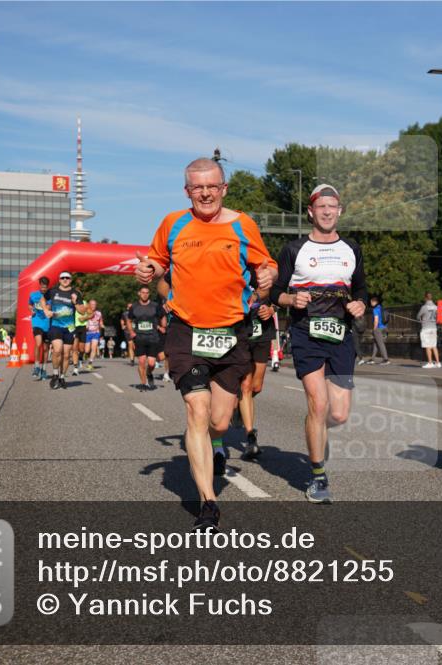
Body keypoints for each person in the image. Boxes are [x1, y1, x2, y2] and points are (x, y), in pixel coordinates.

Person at [136, 157, 276, 530]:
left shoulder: (243, 224)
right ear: (187, 191)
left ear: (223, 188)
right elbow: (157, 262)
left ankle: (217, 443)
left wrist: (267, 276)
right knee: (197, 410)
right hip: (186, 330)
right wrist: (148, 270)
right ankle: (208, 504)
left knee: (219, 420)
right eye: (198, 187)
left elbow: (267, 266)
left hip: (231, 333)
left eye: (212, 186)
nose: (206, 193)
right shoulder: (173, 223)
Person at [272, 184, 367, 504]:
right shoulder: (294, 249)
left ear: (340, 211)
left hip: (341, 335)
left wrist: (360, 303)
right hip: (306, 333)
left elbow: (361, 288)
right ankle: (317, 477)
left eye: (332, 206)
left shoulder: (352, 248)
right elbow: (275, 292)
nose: (327, 211)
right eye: (321, 206)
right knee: (318, 403)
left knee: (338, 414)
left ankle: (317, 430)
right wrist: (290, 299)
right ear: (311, 212)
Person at [238, 293, 277, 459]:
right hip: (241, 330)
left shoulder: (270, 277)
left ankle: (238, 407)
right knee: (245, 386)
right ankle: (250, 437)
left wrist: (272, 309)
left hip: (263, 332)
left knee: (256, 387)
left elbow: (280, 295)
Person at [40, 271, 87, 389]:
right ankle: (55, 374)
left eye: (67, 278)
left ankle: (62, 377)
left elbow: (82, 311)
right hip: (56, 325)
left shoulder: (75, 293)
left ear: (70, 280)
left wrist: (75, 302)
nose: (65, 280)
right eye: (62, 278)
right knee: (57, 350)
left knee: (66, 355)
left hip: (69, 328)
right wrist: (46, 310)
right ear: (59, 280)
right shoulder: (53, 291)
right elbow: (42, 299)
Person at [127, 285, 167, 391]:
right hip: (139, 337)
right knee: (141, 361)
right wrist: (131, 332)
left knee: (151, 363)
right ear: (139, 293)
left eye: (147, 293)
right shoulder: (134, 307)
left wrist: (163, 326)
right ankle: (143, 383)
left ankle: (149, 373)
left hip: (153, 337)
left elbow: (163, 315)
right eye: (143, 292)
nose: (145, 295)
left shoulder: (155, 306)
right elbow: (129, 320)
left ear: (149, 294)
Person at [29, 276, 51, 380]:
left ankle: (44, 369)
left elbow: (49, 308)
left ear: (47, 286)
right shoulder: (33, 295)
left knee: (46, 348)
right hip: (36, 322)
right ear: (40, 285)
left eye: (45, 287)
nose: (43, 289)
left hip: (47, 324)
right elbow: (30, 305)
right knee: (38, 343)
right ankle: (37, 366)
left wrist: (46, 307)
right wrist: (31, 310)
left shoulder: (50, 297)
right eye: (42, 287)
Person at [417, 292, 440, 368]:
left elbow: (418, 316)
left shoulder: (424, 307)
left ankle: (430, 363)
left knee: (427, 346)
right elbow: (438, 317)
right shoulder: (436, 307)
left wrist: (421, 319)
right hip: (433, 328)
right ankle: (438, 363)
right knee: (434, 346)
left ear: (425, 298)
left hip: (426, 328)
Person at [368, 295, 389, 365]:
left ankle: (386, 359)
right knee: (376, 343)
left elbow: (376, 320)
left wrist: (374, 329)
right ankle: (372, 359)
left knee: (380, 344)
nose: (370, 303)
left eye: (371, 302)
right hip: (384, 327)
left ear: (374, 302)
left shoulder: (375, 309)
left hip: (378, 328)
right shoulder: (381, 308)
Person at [83, 299, 103, 371]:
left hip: (96, 332)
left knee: (94, 348)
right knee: (87, 350)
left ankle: (90, 364)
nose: (93, 306)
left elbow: (101, 322)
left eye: (94, 304)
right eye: (92, 304)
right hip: (88, 333)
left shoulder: (99, 313)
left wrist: (102, 325)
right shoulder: (85, 312)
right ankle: (85, 354)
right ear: (89, 305)